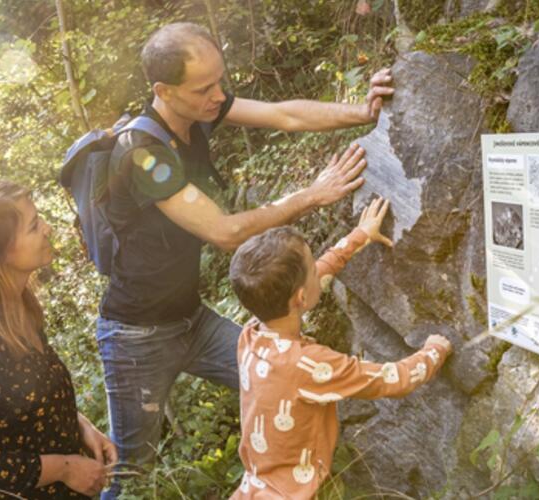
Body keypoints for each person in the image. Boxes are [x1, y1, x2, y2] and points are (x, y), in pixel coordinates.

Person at [97, 21, 394, 495]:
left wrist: (362, 111)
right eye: (203, 88)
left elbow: (283, 115)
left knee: (282, 375)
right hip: (137, 338)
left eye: (220, 81)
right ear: (164, 91)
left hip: (192, 320)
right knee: (132, 470)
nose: (218, 96)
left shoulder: (198, 112)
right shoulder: (141, 152)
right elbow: (225, 231)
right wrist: (311, 195)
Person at [227, 197, 452, 498]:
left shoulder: (252, 334)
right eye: (311, 267)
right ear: (300, 299)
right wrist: (436, 349)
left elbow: (311, 280)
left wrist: (359, 236)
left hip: (255, 487)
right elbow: (394, 379)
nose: (316, 269)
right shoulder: (310, 366)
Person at [0, 180, 117, 499]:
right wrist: (66, 468)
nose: (47, 228)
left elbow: (27, 405)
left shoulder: (18, 309)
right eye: (33, 226)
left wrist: (81, 427)